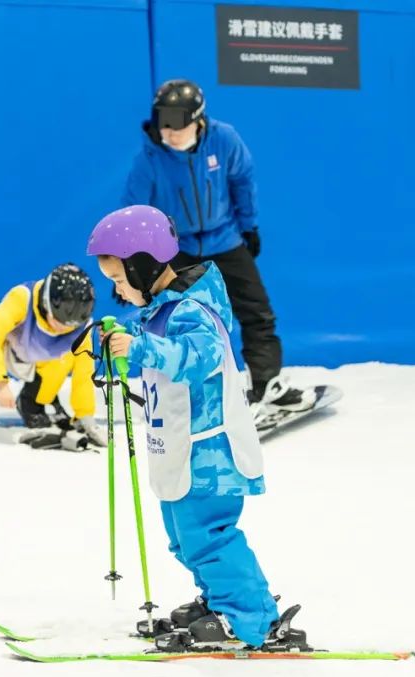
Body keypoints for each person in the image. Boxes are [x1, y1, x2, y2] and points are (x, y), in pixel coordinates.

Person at [88, 205, 306, 651]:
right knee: (185, 540)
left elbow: (196, 359)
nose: (118, 290)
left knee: (208, 537)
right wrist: (123, 351)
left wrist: (141, 346)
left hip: (210, 453)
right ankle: (220, 600)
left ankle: (252, 618)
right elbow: (158, 368)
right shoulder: (162, 310)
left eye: (119, 279)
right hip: (181, 449)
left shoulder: (193, 311)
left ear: (143, 266)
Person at [120, 79, 315, 421]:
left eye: (179, 120)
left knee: (257, 311)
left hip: (224, 241)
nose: (170, 130)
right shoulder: (149, 160)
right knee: (169, 323)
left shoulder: (224, 140)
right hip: (176, 250)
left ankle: (267, 384)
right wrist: (128, 266)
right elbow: (134, 214)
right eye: (163, 119)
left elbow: (242, 180)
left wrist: (249, 226)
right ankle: (177, 395)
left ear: (197, 118)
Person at [0, 264, 105, 446]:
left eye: (70, 325)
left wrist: (84, 415)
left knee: (66, 358)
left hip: (41, 357)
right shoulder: (22, 298)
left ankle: (33, 402)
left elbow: (84, 373)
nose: (63, 328)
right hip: (7, 348)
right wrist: (0, 383)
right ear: (48, 303)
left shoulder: (80, 328)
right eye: (59, 321)